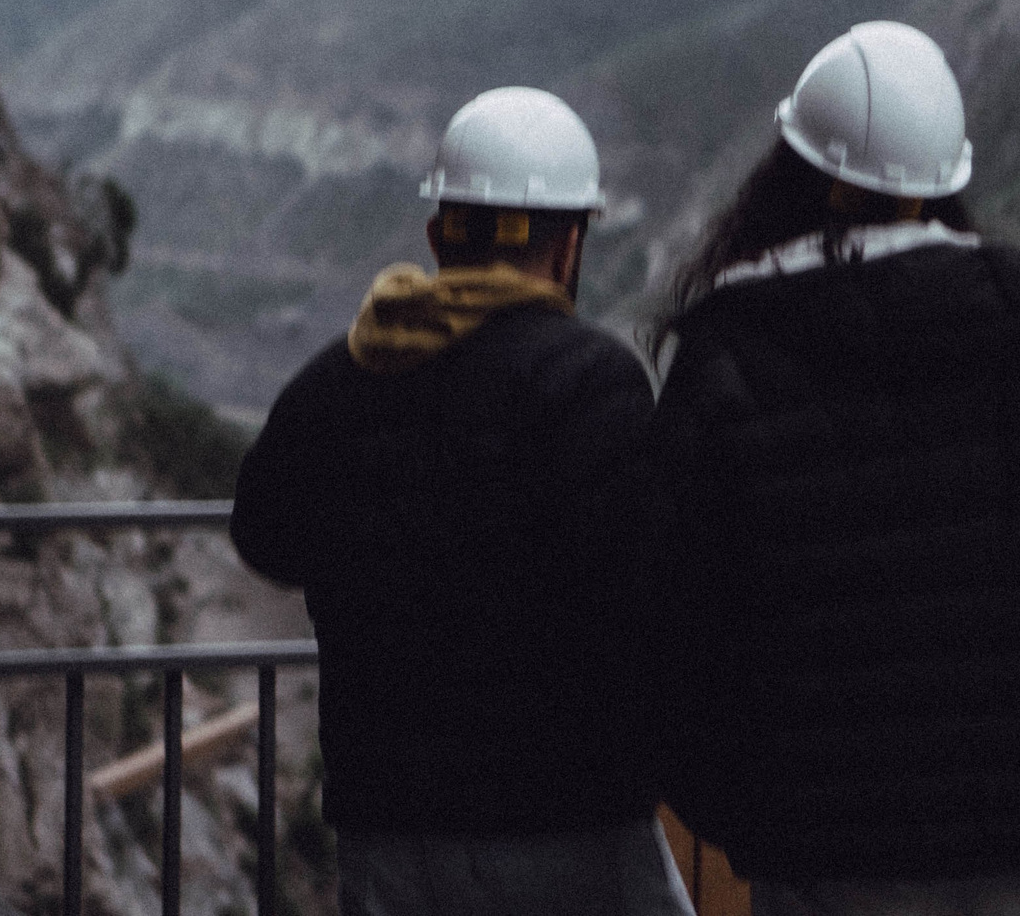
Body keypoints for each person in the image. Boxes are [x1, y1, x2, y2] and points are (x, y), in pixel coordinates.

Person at [644, 22, 1020, 916]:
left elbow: (672, 630)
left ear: (795, 172)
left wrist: (754, 813)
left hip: (829, 850)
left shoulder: (729, 353)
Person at [231, 86, 694, 916]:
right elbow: (644, 595)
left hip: (391, 829)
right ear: (571, 246)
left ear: (440, 234)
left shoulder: (343, 377)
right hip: (570, 821)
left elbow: (266, 534)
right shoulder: (592, 381)